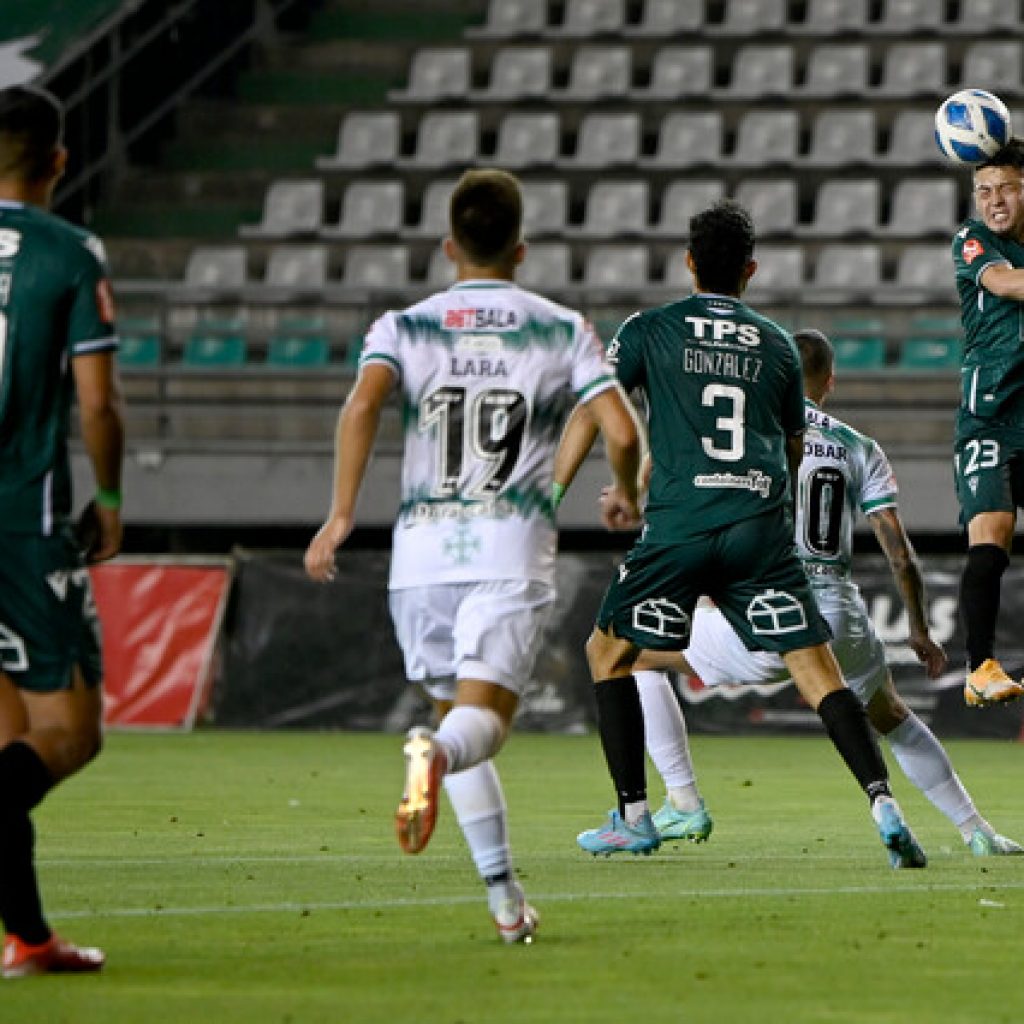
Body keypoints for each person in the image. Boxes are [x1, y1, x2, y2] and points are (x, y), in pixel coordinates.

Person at [305, 168, 641, 943]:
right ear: (521, 249)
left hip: (420, 555)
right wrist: (625, 492)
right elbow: (621, 431)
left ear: (448, 246)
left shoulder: (404, 326)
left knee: (458, 715)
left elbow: (362, 404)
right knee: (478, 725)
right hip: (506, 549)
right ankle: (432, 753)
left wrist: (341, 513)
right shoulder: (559, 327)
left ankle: (505, 901)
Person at [554, 200, 925, 868]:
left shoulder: (650, 329)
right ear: (750, 270)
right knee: (819, 673)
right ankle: (884, 805)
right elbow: (791, 447)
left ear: (688, 262)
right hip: (759, 531)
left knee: (608, 653)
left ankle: (636, 816)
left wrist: (560, 495)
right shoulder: (777, 345)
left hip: (680, 528)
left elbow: (596, 411)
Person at [617, 328, 1021, 857]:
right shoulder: (858, 446)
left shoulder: (748, 435)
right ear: (830, 381)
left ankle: (682, 800)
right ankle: (976, 831)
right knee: (892, 716)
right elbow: (900, 553)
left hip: (767, 608)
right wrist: (919, 629)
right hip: (837, 611)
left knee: (630, 656)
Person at [0, 86, 124, 978]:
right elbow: (97, 401)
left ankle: (30, 939)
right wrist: (109, 496)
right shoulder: (69, 252)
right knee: (71, 734)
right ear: (58, 160)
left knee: (9, 739)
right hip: (23, 520)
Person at [951, 139, 1024, 707]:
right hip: (990, 418)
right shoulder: (972, 241)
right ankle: (980, 668)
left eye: (1007, 188)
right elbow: (1004, 284)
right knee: (991, 534)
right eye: (983, 191)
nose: (994, 201)